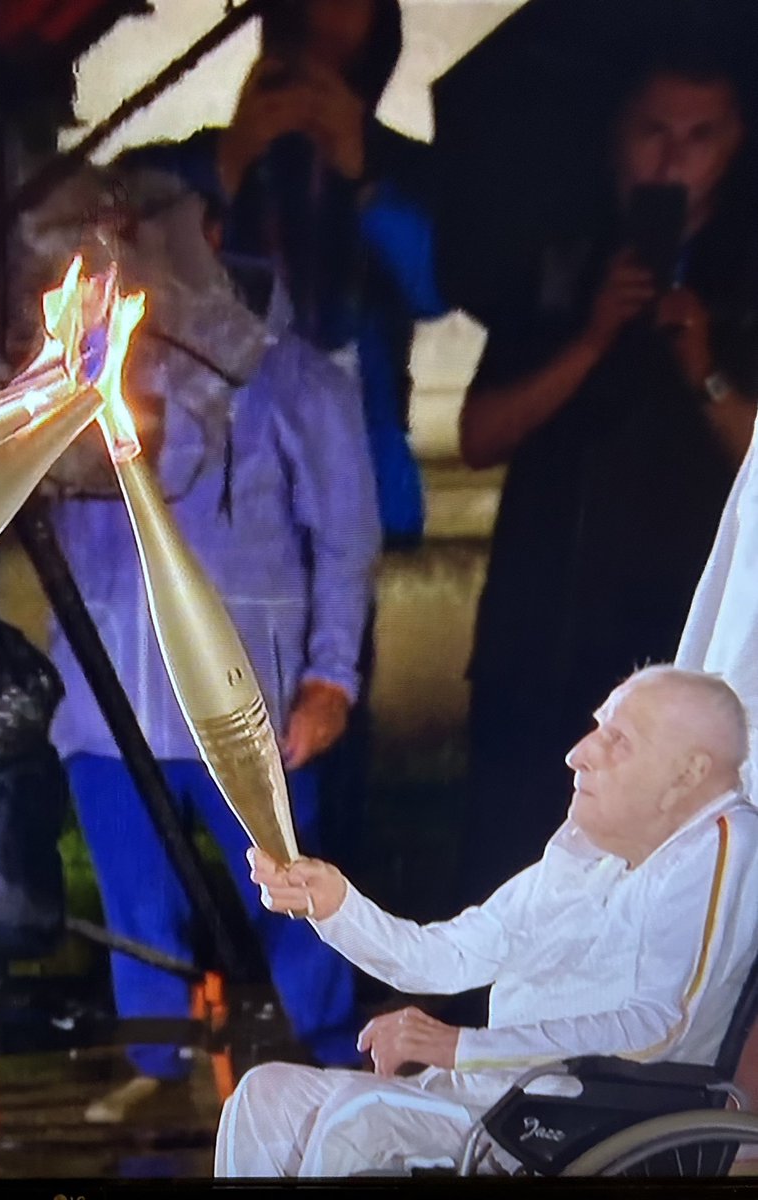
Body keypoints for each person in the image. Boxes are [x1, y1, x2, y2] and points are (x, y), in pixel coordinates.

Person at [44, 174, 382, 1124]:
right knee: (136, 900)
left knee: (290, 884)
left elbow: (346, 537)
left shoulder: (294, 377)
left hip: (249, 695)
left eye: (149, 229)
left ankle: (310, 1058)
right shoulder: (80, 367)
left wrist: (330, 677)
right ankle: (158, 1064)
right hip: (108, 694)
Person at [119, 0, 448, 889]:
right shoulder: (182, 171)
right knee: (165, 764)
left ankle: (317, 977)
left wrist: (361, 174)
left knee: (320, 750)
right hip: (202, 499)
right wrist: (227, 166)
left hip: (350, 475)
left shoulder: (402, 176)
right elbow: (124, 254)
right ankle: (204, 985)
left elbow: (439, 284)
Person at [222, 665, 758, 1177]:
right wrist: (335, 904)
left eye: (618, 740)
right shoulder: (587, 857)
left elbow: (659, 1028)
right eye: (597, 729)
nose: (578, 754)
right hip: (502, 1097)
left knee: (356, 1120)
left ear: (689, 772)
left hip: (583, 1117)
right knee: (265, 1096)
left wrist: (462, 1047)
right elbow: (447, 957)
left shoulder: (723, 841)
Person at [457, 51, 758, 910]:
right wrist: (591, 338)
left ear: (733, 144)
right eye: (654, 132)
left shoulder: (742, 271)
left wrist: (704, 368)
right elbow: (478, 434)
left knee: (674, 867)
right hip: (546, 618)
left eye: (699, 137)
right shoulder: (562, 260)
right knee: (515, 843)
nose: (673, 160)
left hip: (684, 623)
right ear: (617, 139)